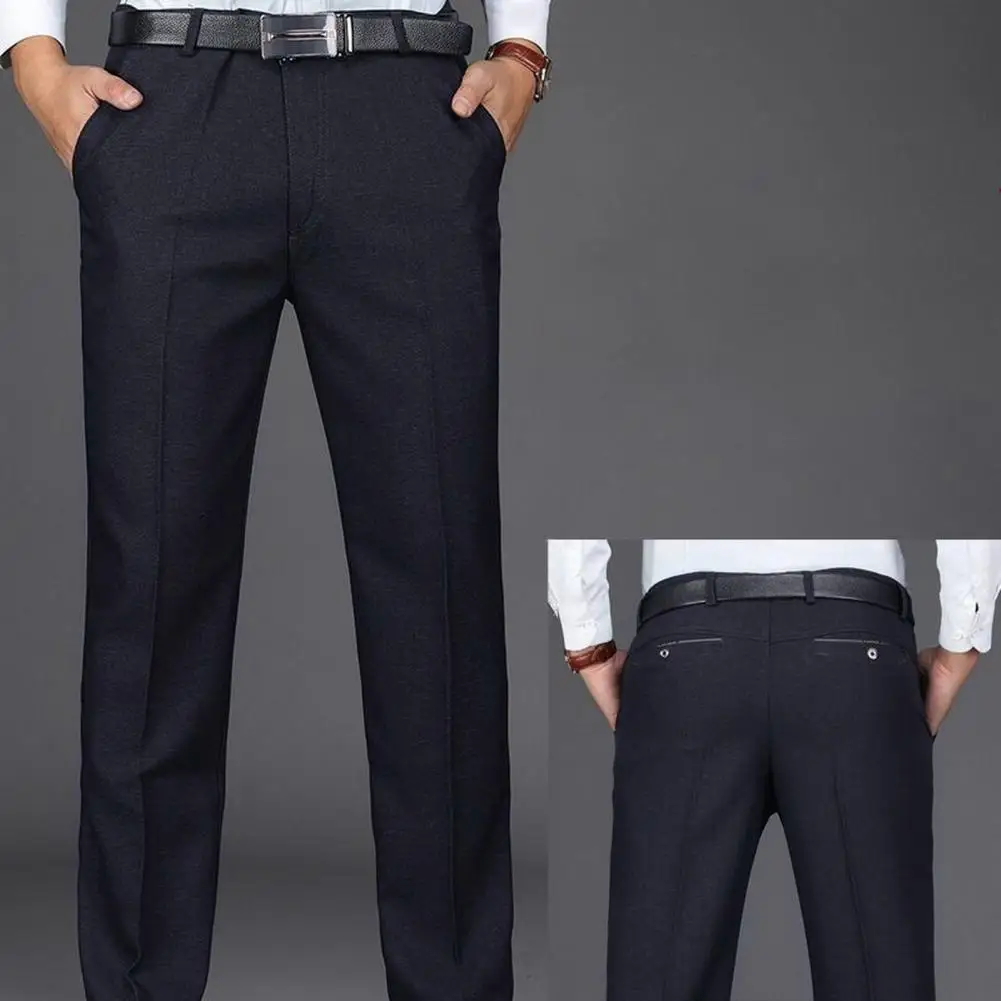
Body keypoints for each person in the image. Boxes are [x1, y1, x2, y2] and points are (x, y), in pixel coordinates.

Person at [1, 2, 552, 999]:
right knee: (151, 583)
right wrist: (32, 56)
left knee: (438, 584)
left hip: (403, 105)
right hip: (173, 103)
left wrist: (522, 48)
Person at [547, 540, 1001, 1001]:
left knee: (659, 978)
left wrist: (588, 644)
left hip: (687, 650)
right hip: (854, 651)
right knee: (881, 971)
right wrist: (962, 637)